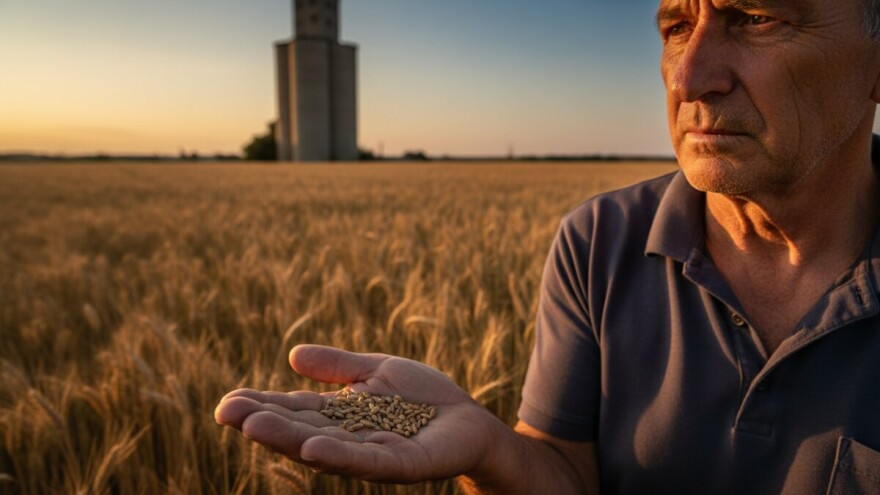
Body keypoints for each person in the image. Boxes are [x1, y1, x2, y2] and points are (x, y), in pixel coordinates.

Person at [215, 0, 880, 492]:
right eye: (677, 28)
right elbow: (564, 472)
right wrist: (490, 448)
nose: (690, 78)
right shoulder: (599, 241)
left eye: (757, 18)